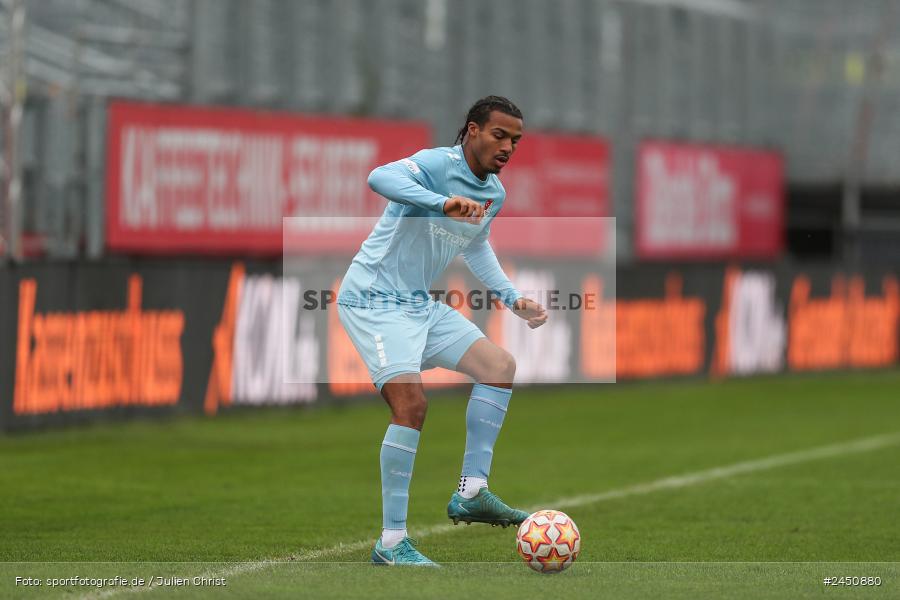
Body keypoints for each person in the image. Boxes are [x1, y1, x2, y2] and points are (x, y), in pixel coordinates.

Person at [337, 96, 548, 566]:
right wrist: (440, 201)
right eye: (500, 134)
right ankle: (391, 544)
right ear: (472, 130)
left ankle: (473, 491)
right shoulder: (436, 164)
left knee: (498, 366)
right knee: (411, 405)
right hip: (372, 300)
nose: (508, 147)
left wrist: (513, 299)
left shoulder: (494, 193)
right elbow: (379, 178)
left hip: (416, 304)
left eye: (515, 139)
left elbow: (476, 247)